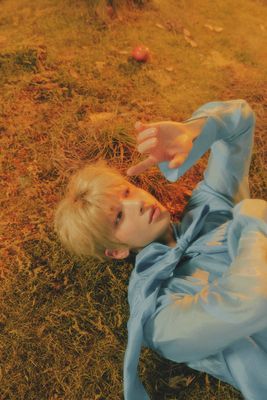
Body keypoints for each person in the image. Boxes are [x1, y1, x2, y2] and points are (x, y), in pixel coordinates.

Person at [54, 99, 267, 400]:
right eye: (118, 217)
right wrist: (252, 219)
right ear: (115, 251)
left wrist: (193, 130)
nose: (137, 203)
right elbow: (252, 301)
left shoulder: (209, 206)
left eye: (127, 191)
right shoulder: (157, 315)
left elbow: (240, 120)